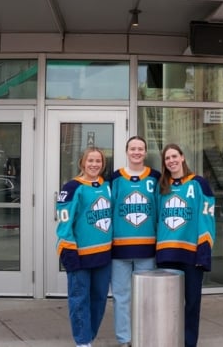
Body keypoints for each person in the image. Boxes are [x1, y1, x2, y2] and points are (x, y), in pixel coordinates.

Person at [155, 143, 216, 347]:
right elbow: (155, 218)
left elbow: (207, 219)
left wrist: (204, 252)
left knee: (191, 304)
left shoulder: (199, 184)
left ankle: (189, 343)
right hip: (166, 254)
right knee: (168, 306)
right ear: (164, 163)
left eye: (174, 156)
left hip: (191, 254)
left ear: (182, 157)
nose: (171, 160)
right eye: (167, 158)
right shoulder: (161, 185)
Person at [56, 147, 113, 347]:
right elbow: (64, 226)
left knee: (99, 301)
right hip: (80, 257)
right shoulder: (72, 188)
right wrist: (69, 256)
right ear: (82, 162)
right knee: (79, 301)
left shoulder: (106, 186)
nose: (94, 164)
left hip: (104, 257)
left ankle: (88, 337)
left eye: (98, 161)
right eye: (90, 160)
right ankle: (83, 342)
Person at [109, 136, 161, 347]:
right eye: (133, 148)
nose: (137, 152)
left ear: (145, 152)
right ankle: (125, 339)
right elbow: (108, 210)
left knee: (147, 298)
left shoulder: (155, 178)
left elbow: (159, 212)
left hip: (147, 250)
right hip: (119, 250)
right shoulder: (115, 178)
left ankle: (146, 334)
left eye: (140, 148)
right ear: (127, 151)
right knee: (121, 297)